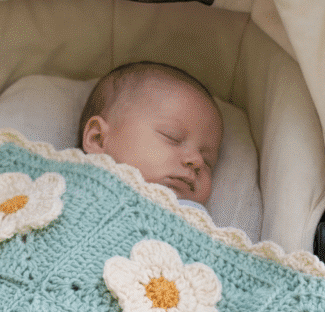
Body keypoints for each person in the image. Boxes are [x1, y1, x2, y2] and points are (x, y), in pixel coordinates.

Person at [79, 61, 222, 208]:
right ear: (98, 139)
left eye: (208, 162)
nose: (197, 160)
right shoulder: (61, 189)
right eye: (172, 137)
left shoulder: (193, 219)